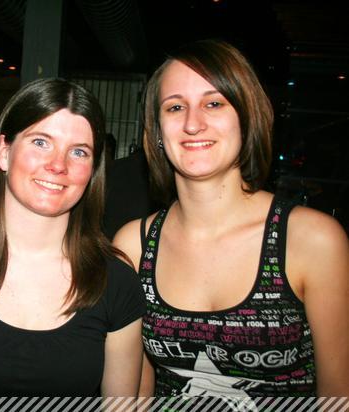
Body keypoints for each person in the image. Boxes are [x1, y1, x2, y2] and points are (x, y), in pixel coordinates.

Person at [114, 39, 349, 399]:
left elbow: (338, 397)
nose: (193, 124)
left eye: (214, 103)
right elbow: (135, 392)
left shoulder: (310, 240)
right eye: (175, 107)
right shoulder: (134, 245)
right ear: (158, 132)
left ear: (246, 118)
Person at [0, 78, 143, 396]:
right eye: (41, 142)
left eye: (79, 152)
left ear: (92, 171)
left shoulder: (117, 282)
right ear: (4, 152)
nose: (58, 165)